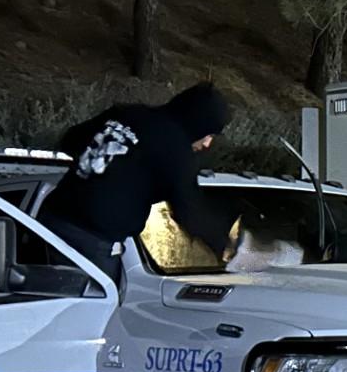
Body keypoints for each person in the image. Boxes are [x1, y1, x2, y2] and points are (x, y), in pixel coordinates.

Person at [39, 82, 235, 275]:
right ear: (198, 123)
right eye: (208, 134)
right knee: (86, 305)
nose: (207, 143)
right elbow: (190, 211)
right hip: (89, 244)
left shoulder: (126, 113)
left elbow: (71, 140)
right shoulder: (177, 152)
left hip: (48, 222)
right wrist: (227, 248)